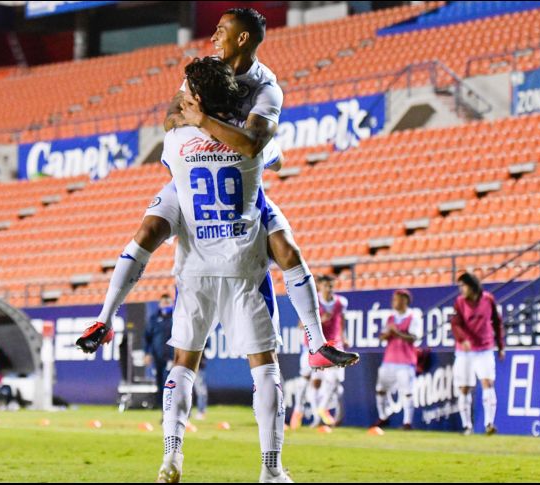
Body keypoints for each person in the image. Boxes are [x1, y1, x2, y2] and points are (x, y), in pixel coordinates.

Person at [76, 7, 359, 371]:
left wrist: (203, 119)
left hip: (237, 179)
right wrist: (207, 125)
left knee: (287, 249)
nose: (212, 37)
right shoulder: (205, 70)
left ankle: (317, 343)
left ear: (242, 39)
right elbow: (170, 117)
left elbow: (253, 144)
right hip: (193, 176)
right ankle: (104, 319)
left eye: (220, 31)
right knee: (147, 230)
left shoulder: (267, 87)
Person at [157, 57, 289, 483]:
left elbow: (171, 122)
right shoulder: (254, 134)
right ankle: (271, 469)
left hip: (195, 266)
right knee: (265, 366)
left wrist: (192, 117)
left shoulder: (177, 142)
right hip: (242, 263)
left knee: (183, 363)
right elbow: (261, 150)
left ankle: (172, 456)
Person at [451, 273, 505, 436]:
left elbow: (496, 321)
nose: (461, 290)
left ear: (472, 285)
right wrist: (463, 339)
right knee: (465, 388)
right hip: (465, 351)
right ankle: (467, 426)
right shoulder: (460, 303)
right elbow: (456, 324)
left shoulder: (488, 299)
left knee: (487, 382)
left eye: (463, 286)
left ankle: (489, 423)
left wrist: (500, 345)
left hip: (485, 348)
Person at [373, 289, 420, 430]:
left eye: (396, 299)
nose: (393, 302)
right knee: (380, 389)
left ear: (405, 300)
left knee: (407, 391)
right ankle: (383, 417)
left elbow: (414, 338)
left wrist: (397, 332)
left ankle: (407, 422)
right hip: (389, 360)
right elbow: (382, 337)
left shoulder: (413, 317)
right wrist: (387, 334)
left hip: (405, 361)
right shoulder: (390, 318)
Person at [314, 275, 352, 427]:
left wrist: (345, 337)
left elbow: (341, 322)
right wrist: (321, 321)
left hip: (336, 345)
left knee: (336, 381)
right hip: (320, 346)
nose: (329, 289)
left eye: (331, 286)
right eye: (326, 286)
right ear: (320, 286)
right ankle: (324, 414)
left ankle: (326, 411)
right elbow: (303, 325)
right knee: (324, 383)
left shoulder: (341, 302)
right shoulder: (314, 301)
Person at [144, 293, 174, 407]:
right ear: (159, 304)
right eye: (164, 302)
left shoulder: (176, 317)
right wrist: (147, 353)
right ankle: (165, 412)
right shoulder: (154, 318)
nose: (166, 305)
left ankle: (178, 411)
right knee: (161, 384)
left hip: (172, 357)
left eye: (168, 302)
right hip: (158, 357)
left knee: (171, 384)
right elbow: (147, 337)